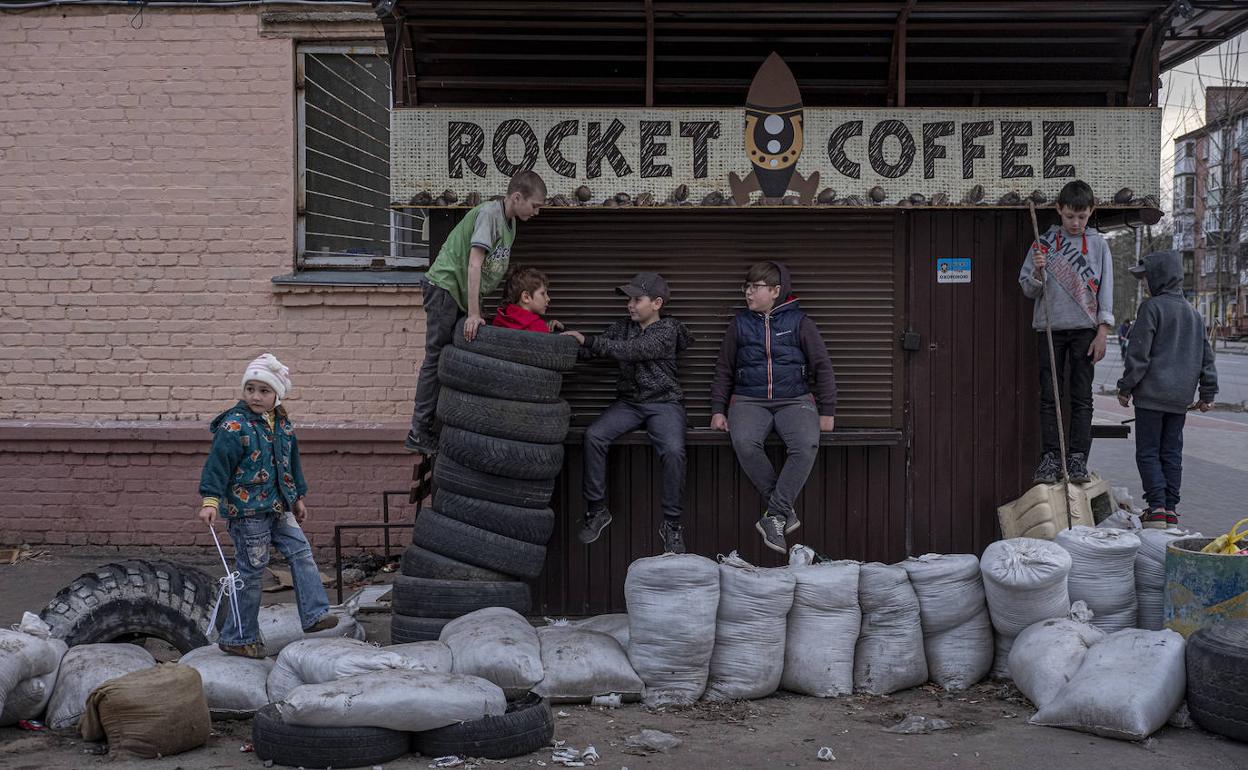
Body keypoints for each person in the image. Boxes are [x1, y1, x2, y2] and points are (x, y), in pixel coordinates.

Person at [196, 354, 335, 659]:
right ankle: (238, 636)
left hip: (279, 507)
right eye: (250, 389)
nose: (255, 396)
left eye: (263, 390)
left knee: (301, 552)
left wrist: (297, 496)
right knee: (252, 571)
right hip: (249, 514)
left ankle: (314, 615)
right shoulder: (234, 426)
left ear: (277, 395)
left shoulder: (282, 425)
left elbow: (291, 463)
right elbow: (217, 466)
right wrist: (211, 501)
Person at [405, 171, 547, 453]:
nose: (538, 212)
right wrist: (473, 313)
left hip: (459, 295)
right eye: (535, 205)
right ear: (517, 197)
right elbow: (474, 264)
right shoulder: (489, 215)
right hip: (445, 289)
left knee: (457, 358)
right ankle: (418, 432)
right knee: (437, 357)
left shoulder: (511, 223)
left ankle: (444, 425)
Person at [710, 261, 837, 555]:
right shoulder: (739, 324)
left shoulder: (800, 323)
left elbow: (823, 366)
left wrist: (827, 411)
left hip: (795, 399)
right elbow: (723, 369)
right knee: (744, 441)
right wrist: (718, 409)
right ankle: (781, 512)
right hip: (748, 399)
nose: (749, 292)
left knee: (806, 444)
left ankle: (775, 515)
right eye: (747, 286)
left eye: (756, 287)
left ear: (776, 291)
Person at [562, 273, 693, 554]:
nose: (630, 305)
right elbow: (593, 351)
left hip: (665, 404)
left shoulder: (667, 330)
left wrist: (589, 341)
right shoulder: (622, 328)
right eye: (629, 300)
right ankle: (597, 510)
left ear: (657, 303)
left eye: (637, 299)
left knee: (673, 451)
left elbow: (634, 350)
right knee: (594, 435)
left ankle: (671, 524)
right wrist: (559, 339)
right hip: (630, 403)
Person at [1019, 179, 1114, 486]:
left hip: (1085, 330)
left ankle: (1077, 458)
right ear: (1059, 210)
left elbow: (1107, 290)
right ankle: (1050, 457)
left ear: (1091, 212)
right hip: (1049, 328)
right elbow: (1028, 289)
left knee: (1082, 397)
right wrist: (1038, 271)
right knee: (1050, 396)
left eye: (1082, 217)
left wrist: (1103, 331)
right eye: (1070, 216)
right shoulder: (1042, 243)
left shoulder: (1099, 244)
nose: (1075, 223)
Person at [1117, 251, 1218, 529]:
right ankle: (1171, 509)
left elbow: (1139, 355)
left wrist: (1125, 387)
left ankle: (1157, 508)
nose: (1144, 284)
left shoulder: (1151, 308)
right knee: (1171, 452)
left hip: (1151, 398)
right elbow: (1206, 358)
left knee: (1148, 451)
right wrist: (1208, 393)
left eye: (1146, 278)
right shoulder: (1195, 315)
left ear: (1159, 277)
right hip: (1179, 400)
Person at [492, 265, 563, 333]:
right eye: (543, 293)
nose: (548, 299)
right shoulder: (538, 326)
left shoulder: (499, 320)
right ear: (526, 297)